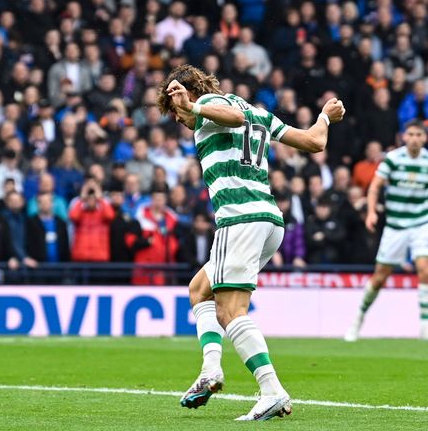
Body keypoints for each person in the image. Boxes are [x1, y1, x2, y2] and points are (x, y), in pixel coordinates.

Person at [157, 64, 345, 420]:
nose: (178, 121)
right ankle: (210, 369)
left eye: (175, 111)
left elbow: (229, 117)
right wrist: (324, 116)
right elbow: (314, 142)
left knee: (230, 312)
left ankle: (271, 390)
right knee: (199, 290)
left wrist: (193, 107)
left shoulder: (211, 108)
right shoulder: (259, 113)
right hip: (269, 221)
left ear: (187, 93)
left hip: (240, 218)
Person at [345, 120, 428, 341]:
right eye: (410, 134)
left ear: (424, 138)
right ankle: (358, 319)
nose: (414, 138)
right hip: (395, 225)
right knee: (380, 277)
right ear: (404, 136)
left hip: (421, 223)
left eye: (419, 135)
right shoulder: (393, 159)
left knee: (424, 269)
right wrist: (372, 212)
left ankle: (425, 326)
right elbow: (375, 187)